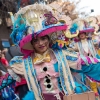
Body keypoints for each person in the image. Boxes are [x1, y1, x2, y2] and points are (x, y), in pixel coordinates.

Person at [1, 4, 100, 100]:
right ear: (31, 43)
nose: (41, 43)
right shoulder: (23, 63)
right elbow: (5, 81)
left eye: (43, 38)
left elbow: (92, 65)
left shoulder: (64, 56)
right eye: (36, 40)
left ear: (49, 39)